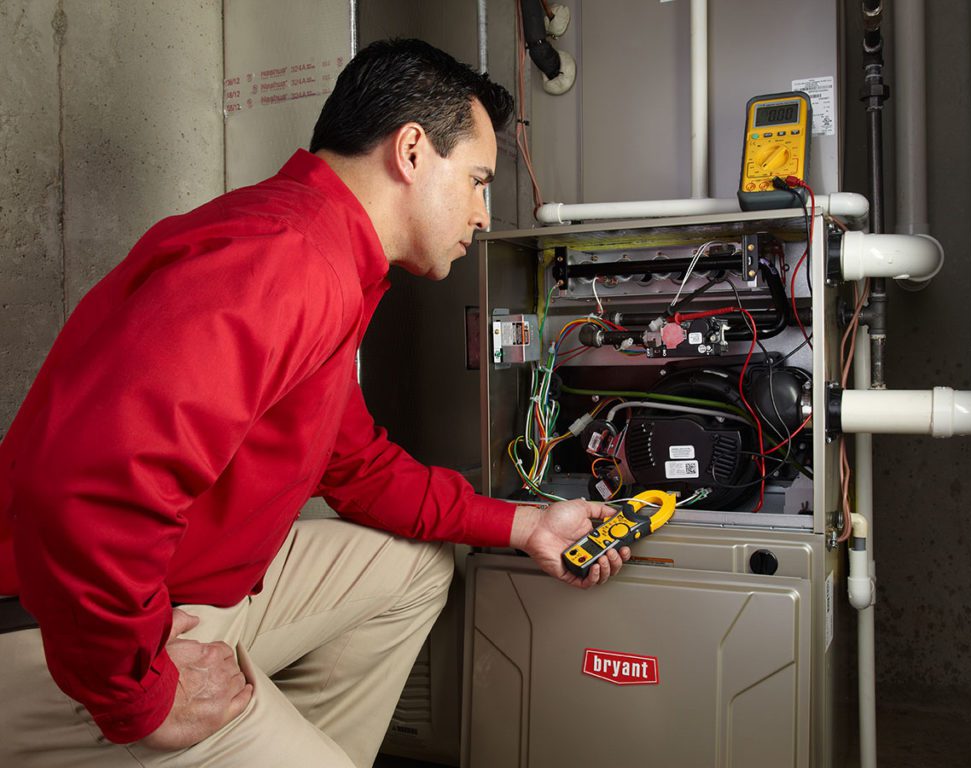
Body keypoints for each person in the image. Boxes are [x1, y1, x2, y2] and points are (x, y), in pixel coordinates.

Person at [0, 38, 628, 768]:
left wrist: (523, 525)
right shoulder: (285, 259)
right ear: (413, 151)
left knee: (416, 570)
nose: (484, 216)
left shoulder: (323, 253)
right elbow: (90, 492)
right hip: (63, 635)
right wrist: (137, 696)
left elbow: (358, 467)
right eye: (480, 181)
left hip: (193, 584)